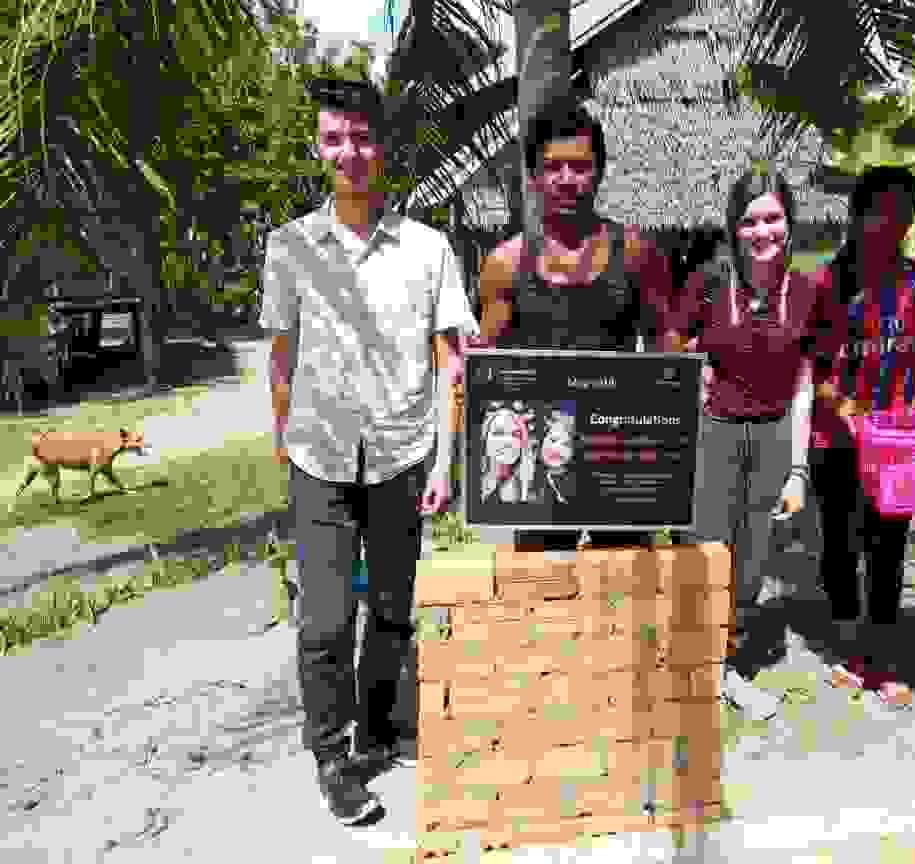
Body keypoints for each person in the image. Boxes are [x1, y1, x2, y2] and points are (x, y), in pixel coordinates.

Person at [259, 77, 478, 825]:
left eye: (361, 136)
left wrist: (446, 461)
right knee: (323, 621)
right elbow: (281, 358)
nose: (348, 153)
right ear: (320, 148)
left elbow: (453, 359)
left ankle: (378, 731)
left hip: (401, 458)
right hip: (319, 459)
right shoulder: (290, 248)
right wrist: (284, 441)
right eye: (333, 139)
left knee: (389, 613)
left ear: (383, 146)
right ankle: (331, 757)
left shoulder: (429, 248)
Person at [474, 98, 681, 551]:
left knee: (626, 599)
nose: (567, 180)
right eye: (553, 168)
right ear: (532, 177)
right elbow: (486, 367)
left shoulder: (638, 254)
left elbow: (668, 347)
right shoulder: (504, 266)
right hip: (538, 461)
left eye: (580, 166)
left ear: (600, 172)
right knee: (542, 600)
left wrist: (673, 425)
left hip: (619, 453)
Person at [675, 165, 835, 720]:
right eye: (749, 221)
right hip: (712, 433)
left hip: (772, 436)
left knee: (751, 560)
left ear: (789, 224)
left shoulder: (810, 294)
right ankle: (694, 667)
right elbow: (676, 351)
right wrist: (694, 376)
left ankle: (727, 668)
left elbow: (804, 387)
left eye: (772, 218)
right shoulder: (708, 284)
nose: (761, 231)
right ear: (733, 227)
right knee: (704, 551)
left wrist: (797, 469)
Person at [809, 165, 915, 705]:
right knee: (841, 544)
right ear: (859, 214)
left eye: (903, 212)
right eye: (881, 210)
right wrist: (844, 407)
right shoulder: (827, 281)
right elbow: (811, 364)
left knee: (889, 544)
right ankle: (847, 647)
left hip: (897, 442)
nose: (892, 222)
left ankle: (882, 657)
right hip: (837, 439)